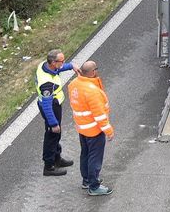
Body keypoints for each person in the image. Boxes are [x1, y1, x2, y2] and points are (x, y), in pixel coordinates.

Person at [69, 60, 114, 196]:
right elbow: (99, 115)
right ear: (93, 72)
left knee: (85, 154)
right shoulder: (92, 92)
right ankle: (94, 186)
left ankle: (87, 180)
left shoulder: (74, 85)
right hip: (94, 131)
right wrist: (109, 131)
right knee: (95, 158)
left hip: (82, 128)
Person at [37, 49, 75, 177]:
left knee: (56, 135)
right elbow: (47, 106)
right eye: (61, 61)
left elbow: (58, 69)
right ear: (53, 62)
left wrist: (70, 66)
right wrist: (53, 123)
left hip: (53, 104)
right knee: (52, 135)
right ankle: (49, 166)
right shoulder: (47, 84)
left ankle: (57, 158)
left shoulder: (44, 66)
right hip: (51, 107)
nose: (63, 63)